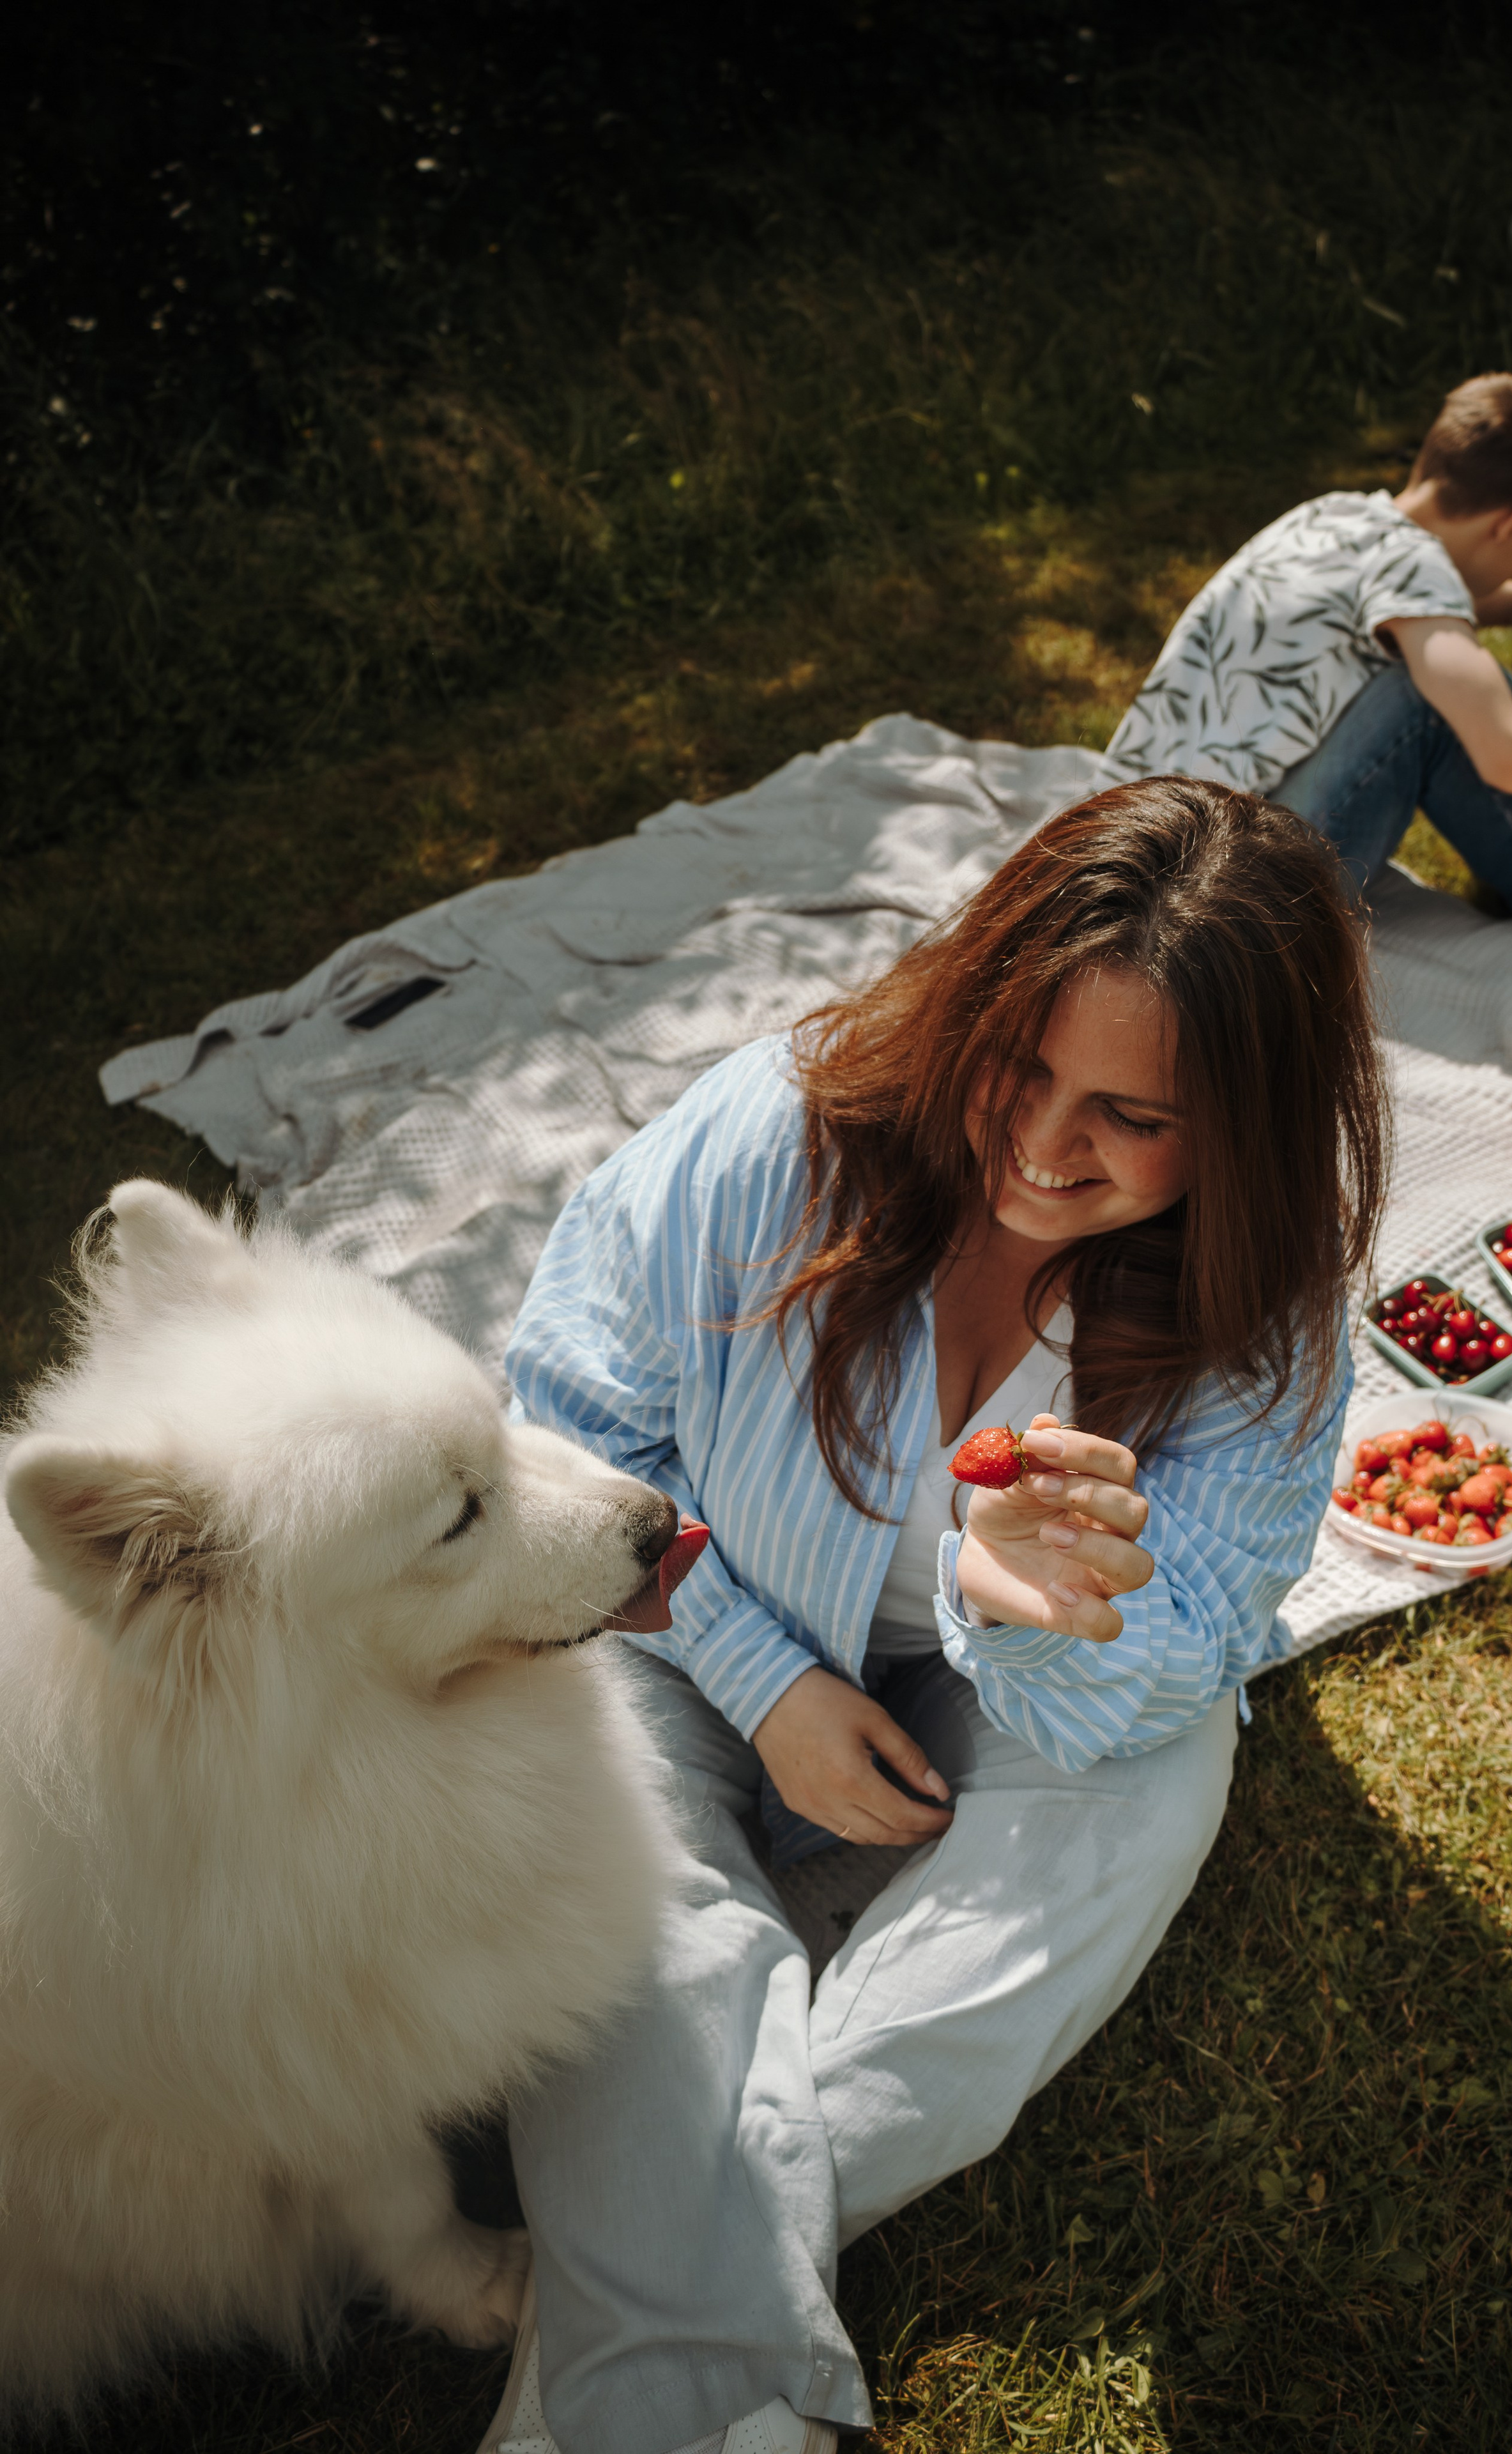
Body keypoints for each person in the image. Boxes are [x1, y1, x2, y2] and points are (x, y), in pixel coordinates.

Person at [482, 779, 1388, 2454]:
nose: (1048, 1148)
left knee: (1161, 1784)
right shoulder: (766, 1141)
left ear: (1246, 1131)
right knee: (633, 1862)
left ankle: (621, 2308)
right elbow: (571, 1443)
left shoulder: (1270, 1321)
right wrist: (761, 1681)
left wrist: (1029, 1608)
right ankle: (694, 2354)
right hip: (685, 1619)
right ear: (967, 998)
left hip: (1002, 1698)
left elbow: (1173, 1660)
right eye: (1022, 1066)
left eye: (1135, 1115)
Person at [1101, 372, 1512, 921]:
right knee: (1426, 700)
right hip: (1217, 909)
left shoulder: (1334, 517)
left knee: (1441, 671)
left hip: (1124, 861)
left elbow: (1437, 599)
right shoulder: (1418, 576)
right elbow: (1511, 760)